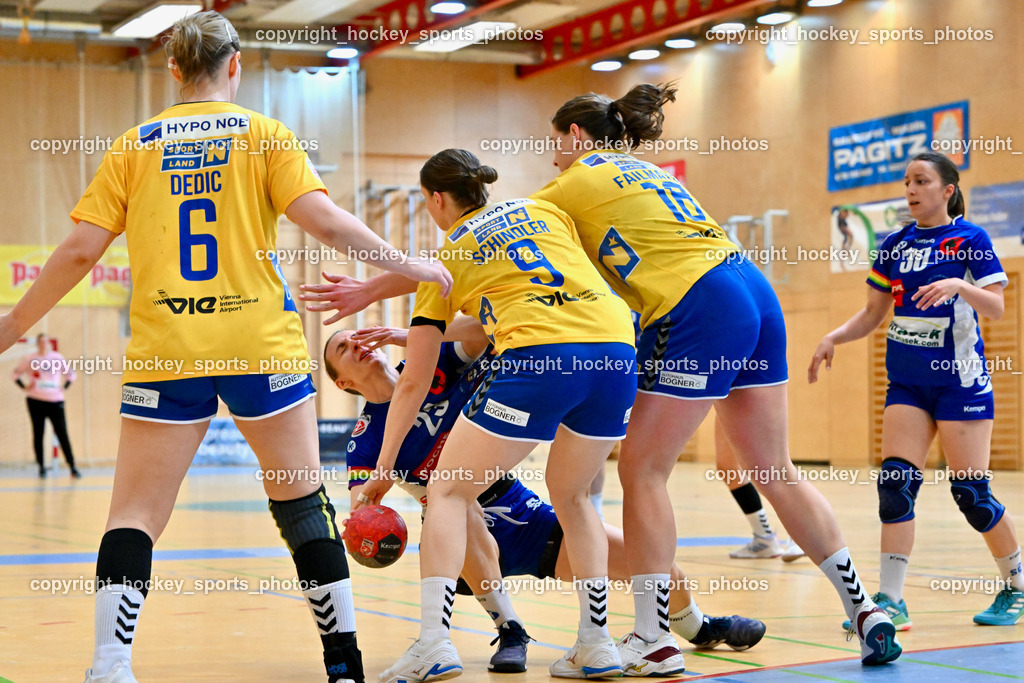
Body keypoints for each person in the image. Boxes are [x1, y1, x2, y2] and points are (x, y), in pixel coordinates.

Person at [0, 11, 451, 683]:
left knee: (133, 515)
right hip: (259, 345)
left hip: (167, 349)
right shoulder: (265, 135)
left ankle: (109, 665)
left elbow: (77, 253)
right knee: (302, 503)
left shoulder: (133, 146)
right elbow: (325, 221)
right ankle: (344, 666)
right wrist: (406, 263)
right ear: (234, 67)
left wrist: (10, 326)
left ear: (174, 70)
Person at [528, 83, 901, 669]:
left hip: (697, 303)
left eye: (555, 144)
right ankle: (865, 610)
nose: (552, 158)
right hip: (752, 287)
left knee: (642, 469)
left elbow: (521, 254)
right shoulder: (651, 173)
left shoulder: (568, 185)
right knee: (774, 469)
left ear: (577, 135)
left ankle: (651, 635)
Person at [350, 148, 641, 681]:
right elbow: (511, 305)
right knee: (574, 495)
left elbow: (413, 380)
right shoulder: (543, 212)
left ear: (436, 200)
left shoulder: (444, 258)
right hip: (618, 347)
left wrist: (386, 467)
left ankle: (435, 643)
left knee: (448, 491)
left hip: (542, 356)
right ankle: (596, 643)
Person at [325, 325, 766, 674]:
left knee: (655, 565)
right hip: (458, 538)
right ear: (343, 382)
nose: (357, 343)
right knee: (455, 502)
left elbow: (479, 331)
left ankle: (698, 627)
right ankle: (510, 630)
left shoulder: (432, 365)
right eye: (343, 347)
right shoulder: (365, 439)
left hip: (524, 516)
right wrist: (366, 523)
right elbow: (359, 509)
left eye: (357, 334)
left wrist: (417, 334)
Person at [809, 151, 1024, 628]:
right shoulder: (894, 243)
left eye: (921, 180)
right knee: (895, 488)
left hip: (959, 381)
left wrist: (958, 286)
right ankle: (891, 601)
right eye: (906, 181)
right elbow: (872, 314)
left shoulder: (970, 238)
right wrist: (833, 337)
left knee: (972, 494)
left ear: (947, 190)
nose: (910, 188)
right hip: (907, 382)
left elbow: (996, 308)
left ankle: (1017, 586)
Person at [715, 417, 804, 561]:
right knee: (728, 468)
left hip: (747, 395)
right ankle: (764, 539)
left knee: (771, 466)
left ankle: (801, 536)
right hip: (722, 397)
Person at [12, 332, 80, 478]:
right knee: (38, 433)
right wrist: (24, 386)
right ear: (37, 344)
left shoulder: (57, 357)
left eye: (46, 341)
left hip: (55, 401)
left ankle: (72, 466)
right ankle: (41, 467)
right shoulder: (30, 359)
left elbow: (71, 375)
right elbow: (15, 374)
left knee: (62, 433)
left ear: (49, 343)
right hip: (35, 400)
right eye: (41, 341)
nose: (43, 344)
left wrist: (64, 387)